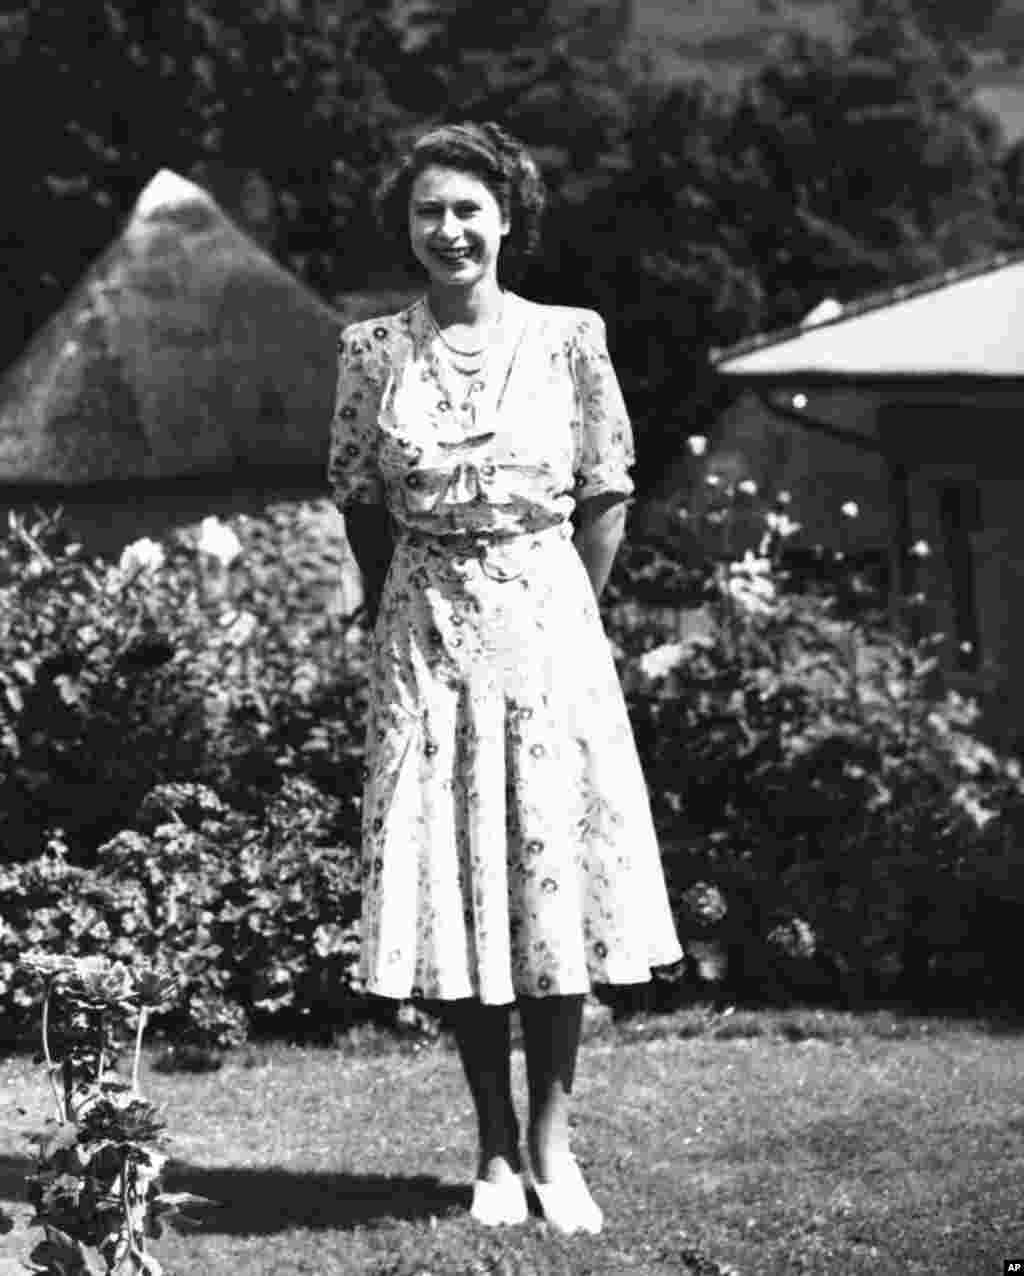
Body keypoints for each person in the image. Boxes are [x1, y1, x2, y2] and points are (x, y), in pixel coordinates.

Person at [328, 121, 682, 1235]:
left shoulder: (573, 338)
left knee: (547, 888)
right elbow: (357, 498)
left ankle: (552, 1148)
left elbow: (606, 488)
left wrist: (557, 613)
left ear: (508, 218)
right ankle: (488, 1145)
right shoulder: (370, 350)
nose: (449, 231)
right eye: (429, 211)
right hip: (424, 644)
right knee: (458, 888)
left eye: (468, 209)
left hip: (547, 640)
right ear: (408, 226)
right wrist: (413, 610)